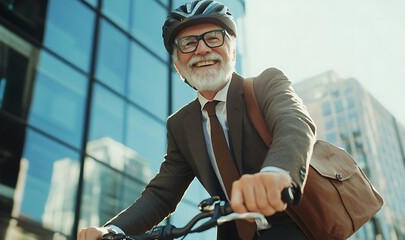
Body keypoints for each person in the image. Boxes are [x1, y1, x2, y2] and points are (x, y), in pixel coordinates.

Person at [77, 0, 316, 239]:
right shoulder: (180, 125)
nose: (202, 50)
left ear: (232, 52)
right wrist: (112, 230)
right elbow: (162, 195)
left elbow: (294, 124)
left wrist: (275, 173)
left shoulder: (265, 84)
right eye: (188, 44)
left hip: (295, 224)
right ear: (178, 67)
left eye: (213, 38)